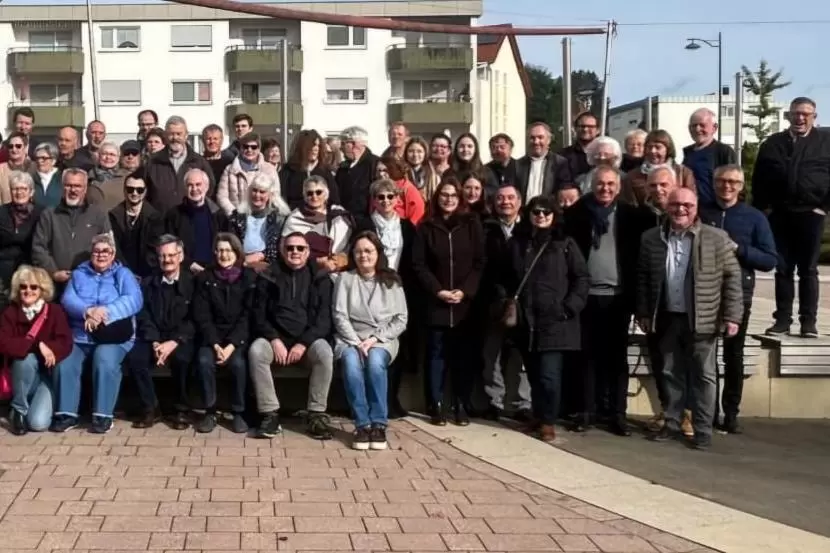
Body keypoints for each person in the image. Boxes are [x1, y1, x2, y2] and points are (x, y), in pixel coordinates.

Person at [638, 188, 743, 450]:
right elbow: (642, 279)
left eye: (687, 204)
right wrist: (643, 312)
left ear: (696, 207)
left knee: (704, 376)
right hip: (666, 317)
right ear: (666, 207)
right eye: (675, 204)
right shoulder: (651, 238)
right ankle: (673, 423)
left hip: (703, 320)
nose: (680, 209)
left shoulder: (717, 239)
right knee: (669, 371)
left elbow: (732, 280)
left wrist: (732, 316)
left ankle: (703, 429)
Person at [565, 166, 648, 436]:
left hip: (619, 299)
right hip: (585, 298)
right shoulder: (576, 214)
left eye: (611, 184)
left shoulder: (633, 217)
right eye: (600, 184)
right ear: (592, 184)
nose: (606, 189)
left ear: (619, 186)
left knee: (616, 359)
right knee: (585, 357)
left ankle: (617, 413)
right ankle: (585, 411)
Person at [700, 165, 777, 433]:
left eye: (733, 182)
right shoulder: (701, 211)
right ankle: (706, 412)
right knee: (704, 356)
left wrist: (739, 249)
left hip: (738, 295)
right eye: (721, 181)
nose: (727, 186)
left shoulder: (754, 218)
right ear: (714, 182)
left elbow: (769, 260)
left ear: (741, 186)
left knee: (733, 355)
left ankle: (731, 412)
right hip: (703, 294)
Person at [506, 195, 589, 443]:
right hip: (526, 321)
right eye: (536, 211)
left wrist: (569, 308)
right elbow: (505, 276)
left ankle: (549, 421)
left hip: (556, 321)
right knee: (533, 374)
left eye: (546, 212)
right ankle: (539, 415)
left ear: (554, 215)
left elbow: (582, 278)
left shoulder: (565, 243)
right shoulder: (518, 243)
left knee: (549, 376)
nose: (541, 215)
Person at [752, 97, 830, 338]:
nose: (800, 118)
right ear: (788, 116)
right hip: (780, 214)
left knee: (808, 270)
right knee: (783, 269)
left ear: (814, 117)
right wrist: (762, 211)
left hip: (811, 213)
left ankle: (809, 322)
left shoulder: (825, 142)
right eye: (796, 113)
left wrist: (825, 207)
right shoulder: (772, 144)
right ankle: (783, 320)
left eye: (806, 114)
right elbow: (759, 179)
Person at [52, 234, 143, 434]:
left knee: (104, 360)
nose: (101, 255)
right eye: (96, 251)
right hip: (80, 335)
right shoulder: (78, 274)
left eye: (106, 251)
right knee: (65, 362)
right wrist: (87, 311)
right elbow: (68, 299)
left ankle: (103, 416)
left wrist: (102, 313)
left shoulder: (124, 274)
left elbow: (133, 300)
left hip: (113, 335)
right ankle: (66, 414)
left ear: (113, 254)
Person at [248, 233, 335, 440]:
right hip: (275, 339)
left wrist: (303, 344)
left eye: (300, 248)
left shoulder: (320, 278)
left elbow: (324, 320)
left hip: (307, 341)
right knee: (256, 351)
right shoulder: (268, 276)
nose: (294, 252)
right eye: (289, 248)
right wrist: (274, 339)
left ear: (308, 252)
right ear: (282, 251)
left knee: (324, 352)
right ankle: (269, 414)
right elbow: (258, 315)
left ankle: (316, 414)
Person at [412, 179, 485, 426]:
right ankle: (437, 404)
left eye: (454, 195)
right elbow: (419, 265)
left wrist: (465, 291)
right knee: (436, 356)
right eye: (444, 195)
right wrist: (438, 290)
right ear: (437, 197)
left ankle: (461, 404)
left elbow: (479, 262)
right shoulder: (426, 227)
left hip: (465, 305)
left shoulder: (471, 224)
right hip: (437, 303)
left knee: (463, 356)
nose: (449, 199)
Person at [333, 231, 408, 451]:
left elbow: (401, 319)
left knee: (375, 363)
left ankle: (379, 423)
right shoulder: (345, 279)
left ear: (377, 253)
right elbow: (340, 315)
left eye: (368, 251)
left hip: (382, 337)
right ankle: (362, 424)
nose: (363, 255)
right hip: (350, 337)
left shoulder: (391, 280)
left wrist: (375, 338)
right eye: (358, 251)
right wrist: (356, 342)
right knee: (351, 363)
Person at [355, 179, 417, 418]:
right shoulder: (365, 224)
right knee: (371, 344)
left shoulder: (407, 227)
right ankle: (371, 401)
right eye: (380, 197)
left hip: (399, 288)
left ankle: (392, 399)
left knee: (395, 344)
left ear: (398, 199)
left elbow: (413, 260)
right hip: (373, 287)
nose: (386, 201)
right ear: (374, 200)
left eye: (390, 197)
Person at [192, 233, 257, 434]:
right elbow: (201, 315)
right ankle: (210, 410)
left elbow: (248, 315)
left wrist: (231, 345)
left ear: (237, 252)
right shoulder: (204, 278)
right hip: (212, 338)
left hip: (237, 338)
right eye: (220, 250)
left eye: (228, 250)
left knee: (238, 363)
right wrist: (215, 344)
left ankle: (238, 411)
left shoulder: (248, 277)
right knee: (204, 361)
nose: (224, 255)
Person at [129, 235, 196, 429]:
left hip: (181, 339)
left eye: (171, 255)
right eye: (162, 256)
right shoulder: (148, 284)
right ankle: (151, 407)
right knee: (136, 358)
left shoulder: (193, 283)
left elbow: (195, 318)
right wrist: (155, 341)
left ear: (180, 256)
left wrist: (175, 341)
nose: (167, 260)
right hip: (155, 337)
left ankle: (181, 409)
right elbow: (143, 314)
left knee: (183, 359)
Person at [0, 265, 72, 435]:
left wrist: (51, 348)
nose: (28, 291)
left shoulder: (55, 311)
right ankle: (18, 409)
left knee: (38, 423)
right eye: (23, 287)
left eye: (34, 287)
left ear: (42, 290)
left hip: (44, 377)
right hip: (20, 375)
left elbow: (65, 341)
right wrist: (37, 345)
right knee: (25, 359)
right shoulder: (10, 313)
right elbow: (4, 342)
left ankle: (25, 410)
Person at [479, 184, 531, 421]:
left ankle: (523, 403)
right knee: (492, 355)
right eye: (500, 198)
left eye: (511, 198)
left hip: (525, 301)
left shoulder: (530, 227)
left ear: (520, 202)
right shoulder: (485, 229)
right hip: (493, 300)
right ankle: (494, 402)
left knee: (522, 356)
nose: (505, 202)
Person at [281, 175, 353, 276]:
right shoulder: (295, 217)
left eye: (319, 192)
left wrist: (341, 258)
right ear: (304, 196)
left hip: (339, 269)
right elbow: (285, 248)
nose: (314, 196)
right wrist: (317, 261)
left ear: (326, 194)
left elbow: (350, 244)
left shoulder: (339, 214)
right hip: (307, 271)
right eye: (310, 193)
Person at [227, 173, 291, 272]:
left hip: (269, 267)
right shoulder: (237, 217)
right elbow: (231, 244)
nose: (257, 195)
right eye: (255, 190)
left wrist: (261, 255)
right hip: (241, 265)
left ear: (270, 195)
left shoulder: (279, 219)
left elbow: (279, 248)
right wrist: (244, 260)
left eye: (262, 192)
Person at [622, 129, 695, 207]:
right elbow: (629, 206)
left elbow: (692, 201)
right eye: (649, 147)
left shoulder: (682, 172)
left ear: (667, 149)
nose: (653, 151)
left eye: (658, 147)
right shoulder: (633, 176)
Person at [0, 172, 42, 306]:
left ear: (31, 192)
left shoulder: (41, 213)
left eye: (24, 188)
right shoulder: (1, 212)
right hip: (3, 265)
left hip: (30, 265)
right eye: (15, 189)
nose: (19, 192)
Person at [682, 108, 737, 208]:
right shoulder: (688, 154)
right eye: (693, 126)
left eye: (702, 125)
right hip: (691, 211)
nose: (697, 129)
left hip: (715, 212)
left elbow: (735, 185)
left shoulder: (723, 152)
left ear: (714, 128)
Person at [216, 132, 279, 215]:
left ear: (259, 149)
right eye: (246, 146)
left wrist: (265, 214)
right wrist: (235, 214)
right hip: (237, 220)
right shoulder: (230, 169)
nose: (249, 150)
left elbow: (275, 195)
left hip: (262, 219)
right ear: (240, 148)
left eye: (253, 147)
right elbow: (222, 196)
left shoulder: (269, 169)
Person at [279, 130, 337, 210]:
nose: (316, 149)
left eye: (318, 145)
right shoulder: (288, 172)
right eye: (312, 145)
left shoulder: (325, 172)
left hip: (322, 217)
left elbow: (334, 200)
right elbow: (282, 198)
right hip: (295, 217)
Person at [515, 122, 572, 201]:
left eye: (540, 137)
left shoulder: (560, 163)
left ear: (548, 140)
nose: (536, 142)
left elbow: (562, 190)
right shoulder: (517, 165)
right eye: (532, 138)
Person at [336, 126, 379, 219]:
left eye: (343, 143)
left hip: (366, 221)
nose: (340, 148)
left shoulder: (375, 164)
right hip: (343, 220)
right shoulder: (342, 168)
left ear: (354, 144)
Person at [375, 155, 425, 224]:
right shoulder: (375, 188)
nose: (381, 174)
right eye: (379, 170)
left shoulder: (407, 188)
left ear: (392, 169)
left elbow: (417, 213)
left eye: (385, 170)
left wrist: (408, 230)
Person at [405, 137, 440, 204]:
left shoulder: (433, 176)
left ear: (425, 153)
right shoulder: (400, 174)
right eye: (411, 151)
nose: (415, 155)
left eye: (419, 151)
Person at [0, 131, 32, 204]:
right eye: (11, 146)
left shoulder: (35, 167)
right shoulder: (1, 170)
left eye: (18, 146)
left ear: (26, 147)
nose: (14, 149)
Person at [31, 142, 62, 208]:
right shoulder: (30, 179)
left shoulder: (62, 178)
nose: (39, 161)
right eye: (37, 158)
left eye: (44, 158)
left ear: (53, 160)